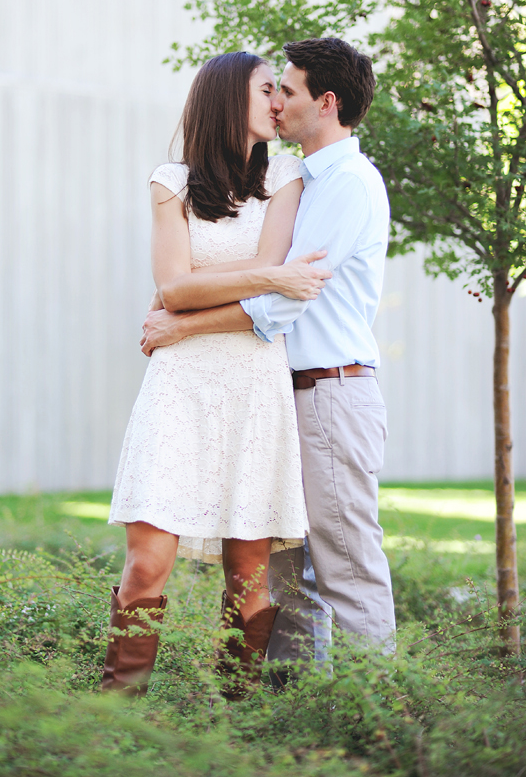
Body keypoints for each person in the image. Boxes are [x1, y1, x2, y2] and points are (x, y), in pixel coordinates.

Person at [141, 37, 397, 674]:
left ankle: (381, 725)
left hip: (330, 393)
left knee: (347, 568)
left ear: (326, 102)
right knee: (291, 579)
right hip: (286, 395)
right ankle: (292, 718)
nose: (278, 102)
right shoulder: (302, 181)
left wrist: (180, 327)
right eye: (271, 89)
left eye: (288, 90)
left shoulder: (346, 186)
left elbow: (282, 300)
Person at [102, 51, 331, 696]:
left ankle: (235, 720)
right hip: (180, 386)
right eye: (267, 91)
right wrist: (273, 275)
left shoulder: (285, 175)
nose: (279, 103)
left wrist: (235, 290)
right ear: (230, 100)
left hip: (255, 385)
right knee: (147, 564)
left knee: (249, 572)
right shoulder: (170, 182)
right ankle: (114, 717)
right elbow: (173, 287)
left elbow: (253, 304)